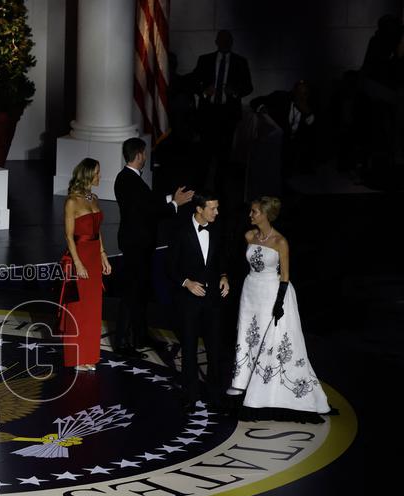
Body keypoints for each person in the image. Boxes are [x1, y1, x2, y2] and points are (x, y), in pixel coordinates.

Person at [228, 197, 330, 422]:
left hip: (270, 293)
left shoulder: (280, 242)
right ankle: (241, 382)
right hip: (250, 292)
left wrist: (279, 303)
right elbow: (237, 264)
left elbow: (285, 277)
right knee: (248, 336)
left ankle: (264, 392)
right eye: (251, 212)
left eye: (254, 212)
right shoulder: (248, 236)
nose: (251, 215)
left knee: (269, 340)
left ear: (265, 214)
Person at [114, 138, 193, 358]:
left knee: (140, 292)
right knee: (132, 293)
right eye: (144, 153)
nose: (146, 157)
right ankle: (121, 342)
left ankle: (140, 336)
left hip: (140, 245)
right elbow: (149, 210)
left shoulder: (129, 179)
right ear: (139, 154)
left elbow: (148, 201)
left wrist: (171, 198)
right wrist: (175, 204)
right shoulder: (128, 180)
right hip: (135, 245)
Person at [165, 192, 230, 413]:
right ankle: (189, 395)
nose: (217, 212)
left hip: (213, 299)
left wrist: (224, 276)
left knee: (214, 348)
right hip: (189, 301)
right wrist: (186, 283)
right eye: (213, 208)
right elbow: (170, 267)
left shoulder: (218, 229)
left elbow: (221, 259)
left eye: (217, 207)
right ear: (199, 209)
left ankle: (215, 395)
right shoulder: (180, 231)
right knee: (190, 348)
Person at [59, 159, 112, 372]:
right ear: (88, 175)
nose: (100, 177)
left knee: (92, 309)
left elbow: (97, 233)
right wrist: (78, 264)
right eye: (98, 173)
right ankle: (76, 357)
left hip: (93, 256)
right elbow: (69, 236)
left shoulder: (94, 198)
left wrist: (103, 256)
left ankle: (89, 355)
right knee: (78, 309)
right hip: (78, 257)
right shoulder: (72, 201)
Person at [192, 30, 253, 191]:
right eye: (222, 40)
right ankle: (199, 189)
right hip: (208, 113)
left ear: (231, 42)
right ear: (217, 41)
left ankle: (219, 191)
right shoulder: (205, 60)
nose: (224, 43)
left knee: (223, 155)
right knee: (204, 153)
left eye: (228, 40)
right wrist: (205, 92)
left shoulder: (240, 62)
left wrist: (235, 91)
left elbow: (248, 87)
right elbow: (193, 82)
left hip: (228, 114)